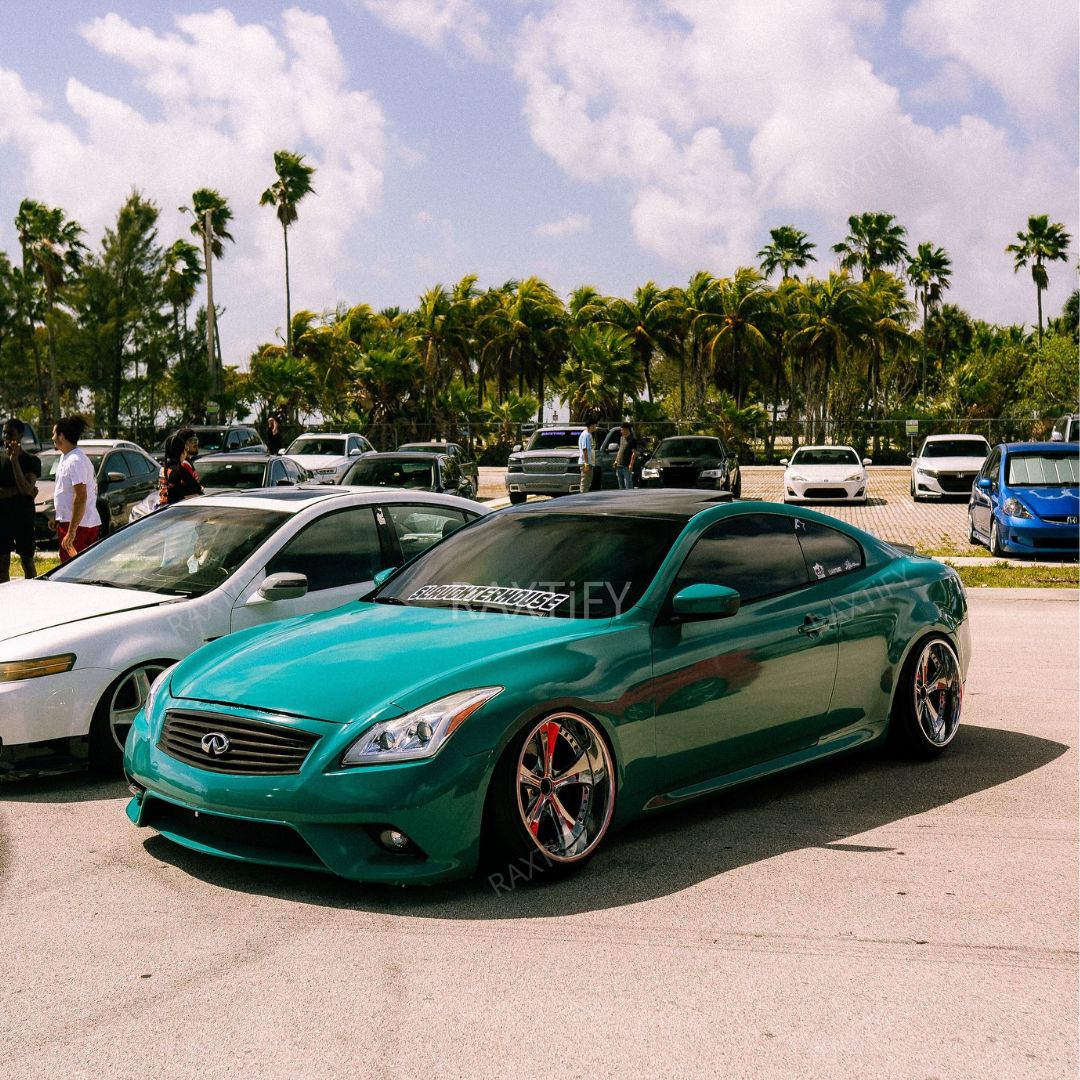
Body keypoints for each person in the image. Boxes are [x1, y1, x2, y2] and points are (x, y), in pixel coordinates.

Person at [51, 415, 101, 562]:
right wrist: (59, 517)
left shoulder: (75, 460)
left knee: (73, 572)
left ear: (62, 436)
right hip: (72, 523)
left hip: (80, 526)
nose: (52, 437)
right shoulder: (66, 457)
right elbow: (65, 492)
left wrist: (71, 531)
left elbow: (81, 496)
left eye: (54, 433)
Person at [0, 418, 42, 582]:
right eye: (4, 433)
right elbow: (25, 490)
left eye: (10, 434)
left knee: (27, 563)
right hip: (2, 519)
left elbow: (26, 489)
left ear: (20, 436)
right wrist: (24, 490)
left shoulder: (32, 461)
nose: (6, 437)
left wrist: (15, 461)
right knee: (2, 563)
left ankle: (31, 598)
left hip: (23, 519)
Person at [160, 427, 204, 506]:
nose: (195, 444)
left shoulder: (166, 467)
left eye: (196, 440)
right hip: (178, 509)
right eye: (191, 441)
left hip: (168, 509)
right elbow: (176, 496)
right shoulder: (179, 468)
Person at [613, 421, 638, 490]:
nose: (621, 431)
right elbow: (620, 450)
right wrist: (616, 461)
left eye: (622, 430)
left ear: (627, 429)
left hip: (626, 466)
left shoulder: (633, 440)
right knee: (621, 485)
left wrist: (631, 464)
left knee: (628, 484)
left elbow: (634, 453)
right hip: (619, 465)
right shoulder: (622, 438)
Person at [578, 417, 599, 494]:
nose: (595, 427)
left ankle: (584, 496)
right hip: (586, 462)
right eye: (595, 425)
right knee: (585, 482)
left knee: (588, 481)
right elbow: (585, 449)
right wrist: (586, 463)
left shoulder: (589, 434)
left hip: (589, 462)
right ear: (591, 426)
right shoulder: (586, 435)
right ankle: (583, 498)